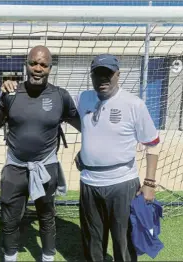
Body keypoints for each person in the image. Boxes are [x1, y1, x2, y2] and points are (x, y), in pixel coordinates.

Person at [0, 45, 80, 262]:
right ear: (26, 65)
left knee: (47, 218)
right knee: (9, 221)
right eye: (33, 63)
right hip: (15, 167)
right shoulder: (10, 94)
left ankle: (47, 258)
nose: (38, 68)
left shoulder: (61, 96)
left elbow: (82, 125)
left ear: (50, 68)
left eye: (44, 64)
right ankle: (10, 257)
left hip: (46, 167)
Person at [75, 54, 161, 261]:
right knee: (92, 242)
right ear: (91, 76)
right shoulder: (83, 98)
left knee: (124, 242)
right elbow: (86, 126)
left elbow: (153, 144)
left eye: (108, 74)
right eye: (98, 74)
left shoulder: (134, 104)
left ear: (118, 75)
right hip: (89, 183)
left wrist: (149, 183)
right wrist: (86, 150)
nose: (103, 79)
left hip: (122, 184)